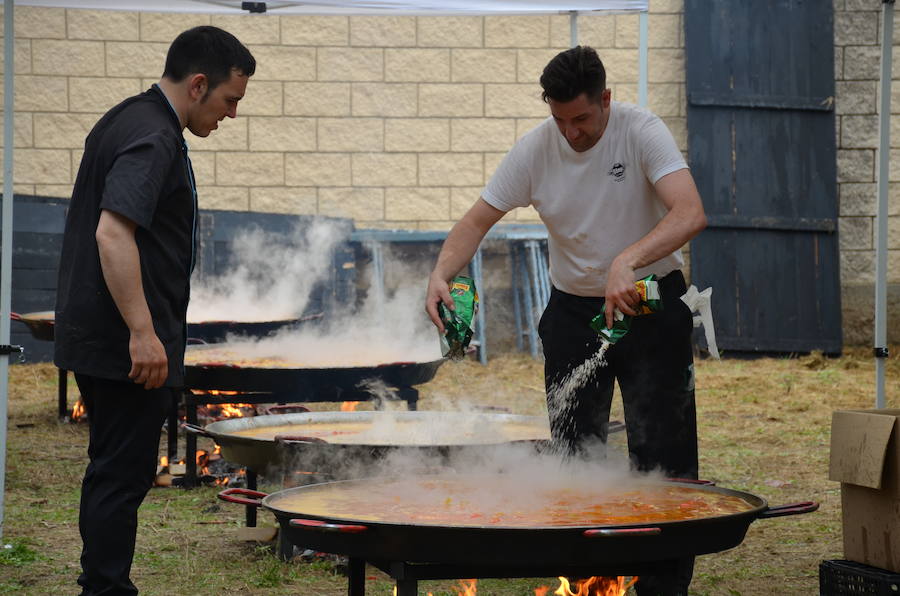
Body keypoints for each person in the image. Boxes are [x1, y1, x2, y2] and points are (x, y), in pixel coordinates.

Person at [425, 46, 706, 596]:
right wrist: (441, 272)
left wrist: (626, 260)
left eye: (581, 119)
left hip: (650, 302)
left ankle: (661, 583)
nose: (571, 133)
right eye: (560, 120)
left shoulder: (641, 131)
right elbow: (478, 219)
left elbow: (690, 211)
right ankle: (589, 577)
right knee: (575, 447)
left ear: (604, 99)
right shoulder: (535, 148)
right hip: (574, 312)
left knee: (661, 450)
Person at [54, 26, 255, 596]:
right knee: (122, 473)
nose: (232, 114)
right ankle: (107, 587)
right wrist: (144, 334)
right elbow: (113, 234)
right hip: (123, 343)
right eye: (229, 100)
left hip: (101, 334)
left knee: (113, 470)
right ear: (198, 85)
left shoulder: (128, 116)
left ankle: (102, 580)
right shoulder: (154, 136)